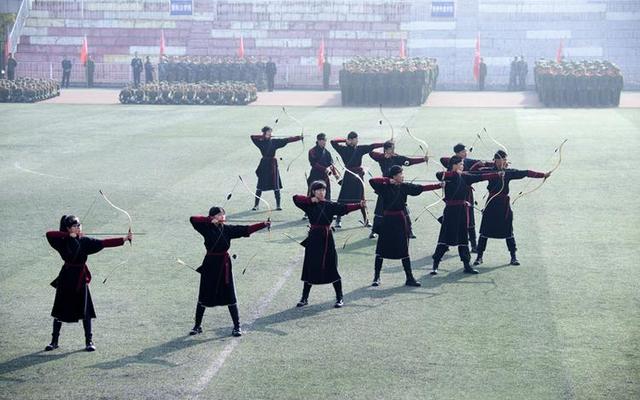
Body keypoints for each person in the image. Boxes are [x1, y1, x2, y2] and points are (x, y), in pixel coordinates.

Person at [44, 215, 132, 352]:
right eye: (75, 226)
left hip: (80, 278)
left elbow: (104, 243)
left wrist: (124, 239)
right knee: (59, 310)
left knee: (86, 312)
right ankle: (54, 341)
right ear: (68, 228)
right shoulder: (61, 241)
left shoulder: (84, 241)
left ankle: (89, 341)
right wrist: (69, 236)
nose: (78, 228)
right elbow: (49, 234)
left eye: (79, 225)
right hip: (66, 278)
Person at [189, 207, 269, 337]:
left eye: (223, 215)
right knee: (204, 295)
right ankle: (197, 326)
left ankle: (237, 327)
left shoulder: (227, 229)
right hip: (210, 264)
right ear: (213, 216)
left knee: (229, 295)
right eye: (220, 215)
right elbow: (193, 219)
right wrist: (210, 220)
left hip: (224, 265)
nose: (223, 217)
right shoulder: (205, 228)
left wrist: (263, 224)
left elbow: (245, 229)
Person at [292, 182, 364, 308]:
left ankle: (339, 297)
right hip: (314, 238)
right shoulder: (308, 205)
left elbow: (344, 208)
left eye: (323, 190)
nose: (321, 192)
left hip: (327, 238)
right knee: (311, 266)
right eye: (318, 190)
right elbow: (295, 198)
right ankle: (304, 298)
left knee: (331, 266)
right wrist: (310, 199)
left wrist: (359, 205)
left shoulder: (330, 205)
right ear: (313, 191)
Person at [474, 150, 550, 266]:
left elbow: (525, 173)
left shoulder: (508, 172)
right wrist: (482, 164)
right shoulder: (488, 171)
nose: (504, 161)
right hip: (491, 204)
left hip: (504, 205)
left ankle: (513, 257)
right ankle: (479, 257)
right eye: (501, 159)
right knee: (485, 231)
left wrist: (542, 175)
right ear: (495, 160)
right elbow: (473, 173)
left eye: (505, 159)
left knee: (508, 232)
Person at [369, 166, 442, 287]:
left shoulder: (405, 186)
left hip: (400, 221)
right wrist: (388, 180)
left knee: (403, 249)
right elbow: (372, 181)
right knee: (381, 249)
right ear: (394, 176)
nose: (403, 176)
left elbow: (422, 188)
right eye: (401, 174)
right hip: (387, 221)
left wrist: (439, 185)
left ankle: (409, 278)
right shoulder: (384, 186)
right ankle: (376, 277)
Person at [430, 156, 503, 275]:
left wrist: (497, 174)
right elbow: (438, 174)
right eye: (460, 164)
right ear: (454, 165)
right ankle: (435, 264)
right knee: (445, 238)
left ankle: (466, 265)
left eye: (463, 164)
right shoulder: (448, 176)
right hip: (450, 212)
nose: (462, 166)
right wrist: (455, 174)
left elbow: (482, 176)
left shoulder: (466, 176)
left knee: (463, 239)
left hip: (462, 212)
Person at [368, 140, 427, 239]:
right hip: (385, 186)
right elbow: (370, 152)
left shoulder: (398, 158)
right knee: (379, 210)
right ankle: (374, 231)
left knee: (403, 208)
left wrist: (423, 159)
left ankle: (409, 230)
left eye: (393, 149)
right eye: (391, 149)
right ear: (385, 150)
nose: (393, 150)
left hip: (398, 186)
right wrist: (383, 154)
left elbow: (410, 161)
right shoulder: (381, 158)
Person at [440, 143, 493, 252]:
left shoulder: (467, 161)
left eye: (466, 151)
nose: (466, 153)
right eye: (463, 151)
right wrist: (456, 163)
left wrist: (489, 163)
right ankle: (445, 244)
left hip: (467, 193)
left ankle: (473, 245)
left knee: (470, 219)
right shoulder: (452, 162)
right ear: (458, 153)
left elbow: (482, 164)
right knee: (451, 218)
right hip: (454, 193)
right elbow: (443, 159)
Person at [331, 131, 384, 228]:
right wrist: (345, 140)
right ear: (350, 140)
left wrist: (384, 144)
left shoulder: (359, 149)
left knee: (361, 198)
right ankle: (338, 220)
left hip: (358, 176)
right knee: (343, 199)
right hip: (349, 175)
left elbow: (371, 146)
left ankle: (366, 220)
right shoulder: (343, 149)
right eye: (355, 139)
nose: (357, 141)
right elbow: (333, 142)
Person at [251, 126, 303, 211]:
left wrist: (298, 138)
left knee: (276, 185)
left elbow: (287, 140)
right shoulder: (260, 142)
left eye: (270, 132)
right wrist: (263, 137)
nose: (270, 133)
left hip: (272, 165)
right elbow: (252, 137)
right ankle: (256, 205)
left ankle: (278, 205)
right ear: (264, 133)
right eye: (268, 132)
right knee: (260, 185)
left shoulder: (274, 142)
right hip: (264, 164)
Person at [307, 133, 339, 201]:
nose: (324, 142)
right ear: (318, 141)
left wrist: (335, 174)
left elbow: (331, 165)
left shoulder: (327, 152)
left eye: (325, 140)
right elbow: (314, 164)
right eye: (322, 140)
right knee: (312, 197)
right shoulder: (312, 151)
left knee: (326, 197)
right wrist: (325, 169)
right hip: (315, 176)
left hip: (324, 178)